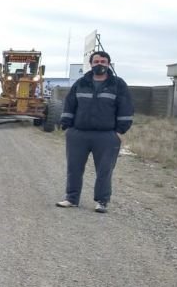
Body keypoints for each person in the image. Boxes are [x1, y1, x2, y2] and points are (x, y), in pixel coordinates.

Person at [57, 50, 134, 213]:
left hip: (106, 136)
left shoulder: (117, 84)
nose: (100, 64)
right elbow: (70, 104)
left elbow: (126, 107)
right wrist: (67, 126)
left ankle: (102, 201)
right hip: (78, 134)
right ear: (91, 64)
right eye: (96, 62)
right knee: (74, 168)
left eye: (103, 62)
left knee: (104, 170)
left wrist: (120, 132)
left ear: (108, 64)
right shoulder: (81, 83)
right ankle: (71, 199)